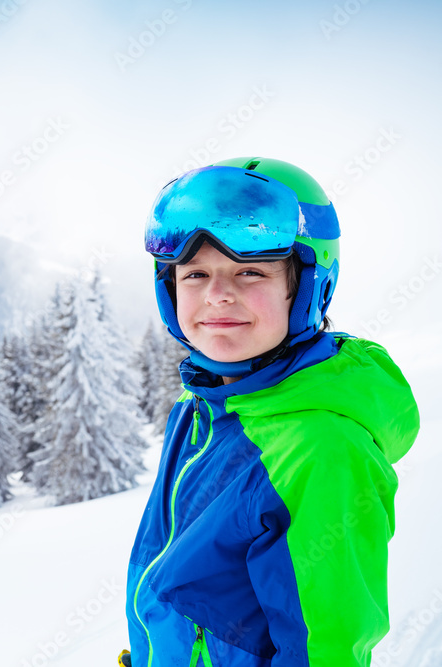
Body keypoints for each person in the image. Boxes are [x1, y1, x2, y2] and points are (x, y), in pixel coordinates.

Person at [120, 157, 420, 667]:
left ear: (305, 288)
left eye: (251, 271)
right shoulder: (198, 410)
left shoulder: (320, 448)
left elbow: (326, 648)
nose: (217, 294)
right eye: (194, 274)